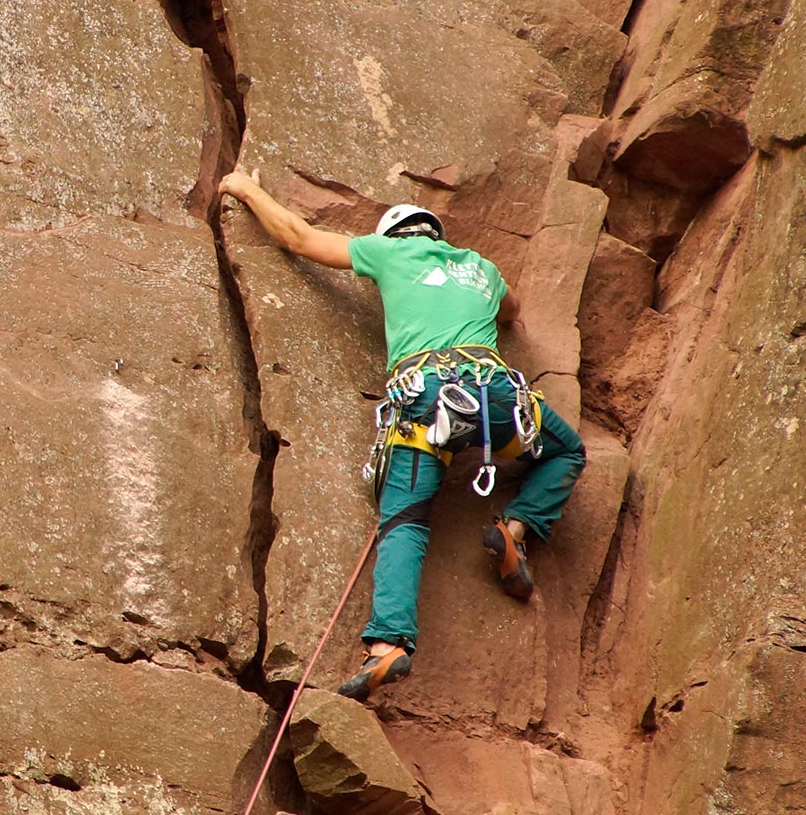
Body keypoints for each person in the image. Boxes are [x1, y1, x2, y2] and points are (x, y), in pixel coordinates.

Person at [217, 167, 586, 702]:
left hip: (426, 401)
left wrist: (245, 187)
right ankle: (516, 528)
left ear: (394, 236)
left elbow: (296, 238)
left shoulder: (387, 252)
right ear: (434, 232)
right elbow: (512, 311)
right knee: (567, 450)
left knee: (404, 522)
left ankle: (388, 646)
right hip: (495, 401)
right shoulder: (481, 267)